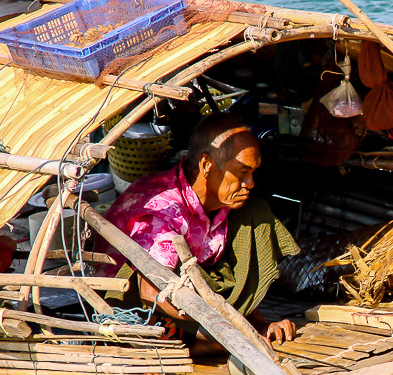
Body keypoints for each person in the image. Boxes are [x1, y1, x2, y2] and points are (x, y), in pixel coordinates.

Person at [100, 112, 301, 349]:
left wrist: (256, 324)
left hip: (198, 294)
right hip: (140, 305)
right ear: (206, 165)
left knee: (256, 213)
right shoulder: (164, 208)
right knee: (220, 341)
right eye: (241, 173)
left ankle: (231, 330)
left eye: (252, 172)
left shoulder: (224, 204)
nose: (250, 183)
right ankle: (206, 340)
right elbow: (151, 291)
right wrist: (224, 329)